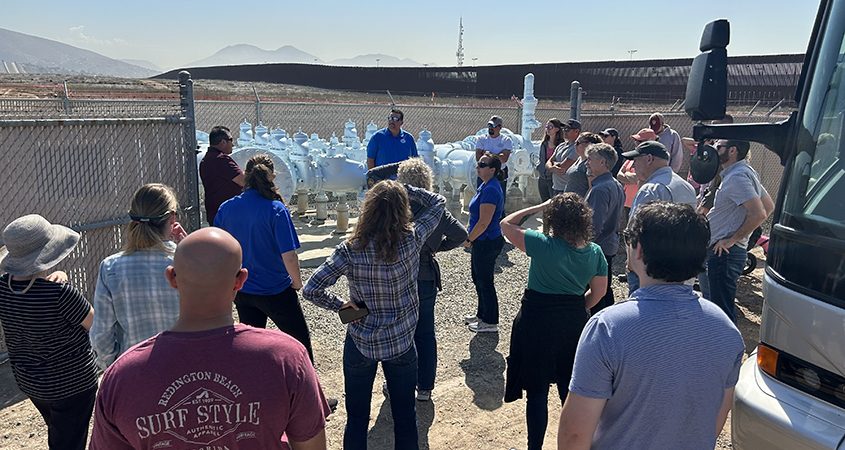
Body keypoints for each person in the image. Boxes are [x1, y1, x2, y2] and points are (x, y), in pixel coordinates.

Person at [89, 228, 330, 450]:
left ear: (172, 277)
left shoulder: (123, 375)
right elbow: (312, 446)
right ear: (241, 280)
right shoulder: (285, 357)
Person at [557, 202, 744, 450]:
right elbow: (714, 423)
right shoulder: (727, 331)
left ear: (639, 250)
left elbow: (574, 436)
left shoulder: (607, 329)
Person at [303, 180, 446, 450]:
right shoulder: (412, 240)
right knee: (405, 416)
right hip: (402, 342)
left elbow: (311, 289)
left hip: (361, 341)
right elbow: (438, 202)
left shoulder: (350, 250)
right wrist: (406, 187)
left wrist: (344, 309)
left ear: (368, 209)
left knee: (356, 418)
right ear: (403, 210)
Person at [500, 193, 607, 450]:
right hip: (572, 322)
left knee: (536, 393)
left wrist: (540, 206)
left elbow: (506, 224)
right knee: (569, 390)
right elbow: (600, 292)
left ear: (554, 219)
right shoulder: (594, 252)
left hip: (537, 320)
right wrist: (577, 306)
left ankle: (534, 447)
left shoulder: (542, 244)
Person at [0, 214, 97, 450]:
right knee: (68, 440)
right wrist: (63, 284)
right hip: (73, 384)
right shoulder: (61, 294)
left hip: (31, 381)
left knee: (58, 427)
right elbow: (94, 323)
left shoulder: (3, 288)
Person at [214, 154, 314, 361]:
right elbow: (289, 256)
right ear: (272, 177)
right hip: (275, 289)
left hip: (243, 289)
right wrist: (297, 283)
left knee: (250, 348)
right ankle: (307, 386)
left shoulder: (226, 208)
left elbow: (218, 250)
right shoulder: (276, 209)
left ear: (246, 176)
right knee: (299, 343)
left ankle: (254, 387)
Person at [90, 183, 187, 369]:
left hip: (134, 370)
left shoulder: (111, 267)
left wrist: (114, 366)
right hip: (184, 368)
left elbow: (101, 335)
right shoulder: (187, 261)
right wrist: (191, 247)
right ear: (172, 218)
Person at [397, 158, 468, 401]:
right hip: (426, 275)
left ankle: (399, 381)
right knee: (426, 332)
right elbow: (461, 235)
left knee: (401, 330)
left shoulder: (396, 207)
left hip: (399, 276)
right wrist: (437, 248)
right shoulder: (437, 209)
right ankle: (425, 386)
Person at [700, 139, 774, 322]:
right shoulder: (744, 172)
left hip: (723, 253)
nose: (714, 150)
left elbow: (760, 213)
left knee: (720, 313)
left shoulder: (737, 177)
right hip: (723, 251)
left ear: (732, 150)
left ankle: (722, 349)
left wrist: (733, 239)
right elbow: (769, 205)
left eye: (719, 147)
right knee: (715, 308)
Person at [622, 140, 697, 294]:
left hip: (650, 269)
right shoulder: (685, 186)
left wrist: (631, 262)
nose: (634, 165)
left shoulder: (651, 189)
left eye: (636, 160)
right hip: (680, 266)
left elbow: (635, 230)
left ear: (649, 159)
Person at [462, 153, 506, 333]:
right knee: (478, 279)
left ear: (492, 170)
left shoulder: (490, 189)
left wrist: (469, 239)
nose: (477, 167)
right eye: (478, 164)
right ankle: (482, 315)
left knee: (485, 281)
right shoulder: (485, 186)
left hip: (487, 241)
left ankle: (490, 321)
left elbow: (483, 222)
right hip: (481, 240)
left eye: (482, 164)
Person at [584, 143, 625, 314]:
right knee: (605, 290)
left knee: (596, 294)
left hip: (597, 248)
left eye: (590, 159)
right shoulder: (615, 184)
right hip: (609, 245)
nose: (586, 163)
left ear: (602, 162)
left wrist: (581, 249)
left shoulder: (600, 189)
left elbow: (594, 226)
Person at [199, 125, 244, 225]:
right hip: (228, 216)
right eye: (231, 140)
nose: (233, 144)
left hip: (215, 213)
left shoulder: (206, 160)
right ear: (223, 142)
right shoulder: (221, 160)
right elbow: (243, 181)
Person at [475, 115, 513, 199]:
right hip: (484, 172)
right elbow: (478, 157)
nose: (490, 128)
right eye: (489, 126)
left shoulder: (506, 140)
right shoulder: (481, 139)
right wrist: (497, 155)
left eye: (493, 126)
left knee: (499, 197)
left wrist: (488, 154)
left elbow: (504, 159)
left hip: (499, 173)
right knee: (481, 196)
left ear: (499, 127)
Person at [546, 119, 582, 195]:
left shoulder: (577, 147)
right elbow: (548, 162)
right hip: (556, 187)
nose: (564, 131)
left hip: (567, 189)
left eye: (567, 129)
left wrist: (552, 166)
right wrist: (551, 167)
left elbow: (562, 167)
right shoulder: (561, 145)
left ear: (576, 131)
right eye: (564, 129)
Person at [563, 132, 603, 197]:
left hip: (580, 203)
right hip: (569, 201)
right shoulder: (579, 159)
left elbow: (592, 188)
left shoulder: (590, 164)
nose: (575, 145)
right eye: (575, 143)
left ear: (589, 144)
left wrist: (584, 204)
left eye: (578, 143)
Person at [537, 118, 567, 202]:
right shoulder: (544, 144)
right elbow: (541, 160)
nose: (547, 129)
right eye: (546, 127)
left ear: (557, 129)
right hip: (542, 177)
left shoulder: (561, 145)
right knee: (544, 202)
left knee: (553, 202)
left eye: (550, 127)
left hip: (553, 179)